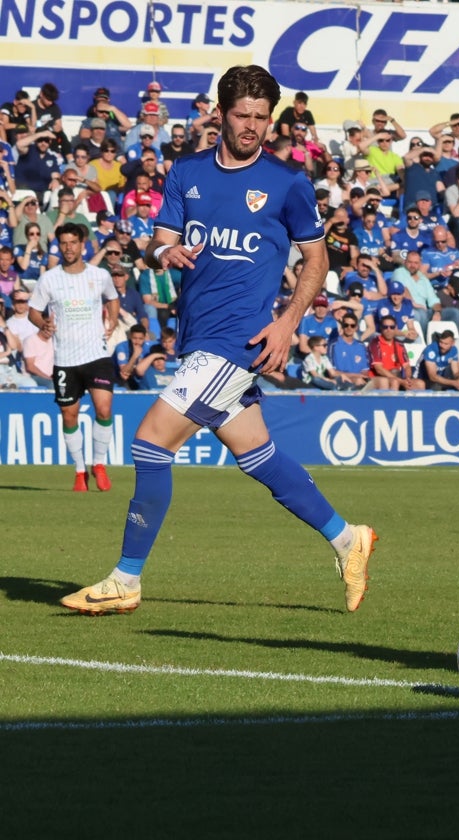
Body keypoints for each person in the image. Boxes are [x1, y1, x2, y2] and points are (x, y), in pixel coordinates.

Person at [59, 65, 376, 617]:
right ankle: (348, 538)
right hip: (198, 337)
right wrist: (163, 253)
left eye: (261, 117)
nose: (252, 125)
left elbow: (317, 259)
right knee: (258, 457)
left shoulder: (289, 183)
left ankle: (126, 579)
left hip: (238, 341)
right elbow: (159, 240)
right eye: (242, 114)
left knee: (151, 440)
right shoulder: (186, 173)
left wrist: (287, 323)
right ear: (221, 115)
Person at [26, 223, 120, 492]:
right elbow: (33, 310)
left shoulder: (99, 275)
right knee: (70, 416)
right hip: (65, 358)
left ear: (83, 244)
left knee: (104, 408)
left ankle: (99, 465)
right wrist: (42, 323)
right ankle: (80, 471)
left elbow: (112, 298)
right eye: (64, 243)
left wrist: (112, 321)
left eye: (73, 243)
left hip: (96, 354)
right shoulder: (49, 279)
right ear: (60, 246)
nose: (68, 248)